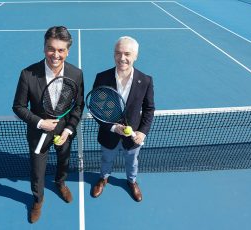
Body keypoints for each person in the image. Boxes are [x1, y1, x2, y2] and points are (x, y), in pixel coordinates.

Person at [12, 26, 84, 223]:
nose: (56, 54)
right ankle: (38, 200)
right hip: (38, 132)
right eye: (51, 49)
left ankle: (60, 183)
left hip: (64, 132)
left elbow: (78, 106)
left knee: (64, 162)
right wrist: (40, 122)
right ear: (44, 48)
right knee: (37, 170)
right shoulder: (28, 74)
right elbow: (18, 107)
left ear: (67, 51)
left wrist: (69, 129)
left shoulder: (76, 74)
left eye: (61, 50)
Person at [90, 36, 155, 202]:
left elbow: (149, 109)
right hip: (109, 134)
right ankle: (103, 178)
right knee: (106, 159)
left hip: (133, 137)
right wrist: (113, 127)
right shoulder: (102, 78)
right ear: (114, 54)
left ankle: (131, 181)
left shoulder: (145, 80)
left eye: (127, 53)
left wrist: (142, 132)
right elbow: (96, 108)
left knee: (132, 162)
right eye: (118, 53)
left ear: (135, 56)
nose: (122, 58)